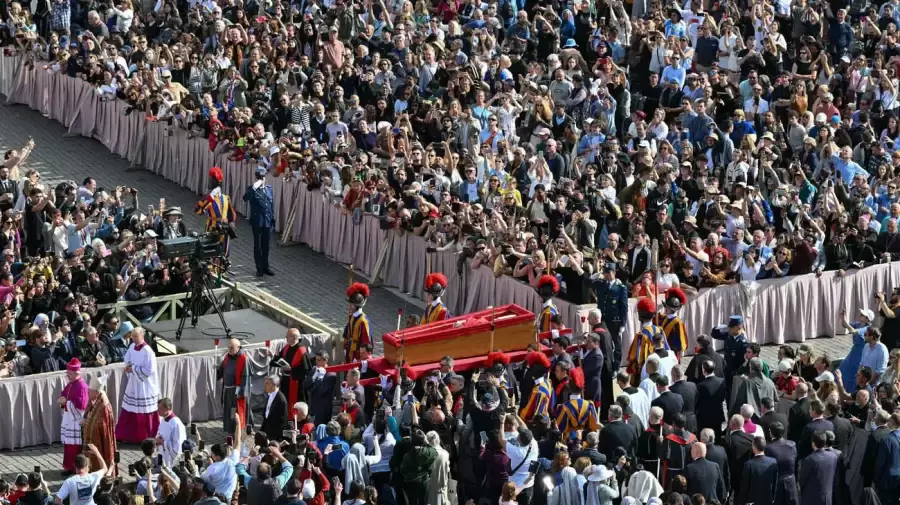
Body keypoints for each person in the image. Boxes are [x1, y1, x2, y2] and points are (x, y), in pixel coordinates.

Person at [115, 327, 160, 444]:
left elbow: (150, 370)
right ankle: (127, 435)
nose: (133, 338)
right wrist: (128, 366)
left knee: (144, 410)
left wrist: (133, 369)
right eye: (132, 336)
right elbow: (127, 358)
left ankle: (146, 436)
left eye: (136, 336)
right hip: (134, 383)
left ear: (142, 336)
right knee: (129, 409)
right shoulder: (131, 347)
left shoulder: (148, 351)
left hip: (144, 385)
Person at [195, 166, 236, 257]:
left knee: (217, 254)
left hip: (217, 229)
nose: (209, 181)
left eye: (211, 179)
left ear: (215, 181)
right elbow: (232, 216)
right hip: (219, 228)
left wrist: (208, 198)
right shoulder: (222, 198)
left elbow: (198, 211)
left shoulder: (215, 198)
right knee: (217, 254)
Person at [243, 166, 275, 277]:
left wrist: (273, 218)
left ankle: (266, 266)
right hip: (257, 221)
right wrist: (254, 187)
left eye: (263, 177)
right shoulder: (252, 189)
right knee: (258, 246)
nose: (261, 180)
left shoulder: (269, 189)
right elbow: (245, 198)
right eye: (259, 178)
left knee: (266, 245)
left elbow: (271, 204)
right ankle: (259, 268)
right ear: (256, 178)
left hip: (267, 221)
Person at [594, 262, 628, 366]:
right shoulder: (601, 284)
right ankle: (606, 364)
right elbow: (587, 282)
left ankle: (616, 366)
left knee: (615, 344)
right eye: (605, 273)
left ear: (614, 272)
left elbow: (624, 307)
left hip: (614, 320)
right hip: (603, 319)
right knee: (604, 342)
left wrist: (623, 323)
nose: (606, 275)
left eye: (608, 273)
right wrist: (597, 273)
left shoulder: (620, 287)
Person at [627, 298, 667, 385]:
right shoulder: (660, 330)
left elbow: (636, 358)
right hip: (661, 369)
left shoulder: (641, 336)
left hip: (646, 372)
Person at [59, 358, 88, 475]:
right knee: (68, 445)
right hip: (69, 419)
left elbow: (82, 405)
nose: (67, 376)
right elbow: (64, 394)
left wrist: (66, 402)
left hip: (76, 420)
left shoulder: (81, 386)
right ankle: (68, 466)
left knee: (75, 447)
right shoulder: (71, 383)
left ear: (76, 373)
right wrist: (62, 399)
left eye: (69, 374)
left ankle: (76, 468)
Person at [218, 338, 253, 434]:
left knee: (235, 411)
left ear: (238, 347)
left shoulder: (243, 359)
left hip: (237, 391)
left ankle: (237, 429)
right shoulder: (227, 356)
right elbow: (222, 369)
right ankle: (231, 428)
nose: (229, 350)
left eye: (232, 348)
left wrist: (241, 392)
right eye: (228, 347)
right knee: (229, 410)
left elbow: (246, 377)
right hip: (228, 390)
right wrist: (217, 369)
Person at [269, 328, 311, 407]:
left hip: (298, 383)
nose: (286, 338)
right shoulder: (287, 347)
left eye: (288, 336)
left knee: (298, 404)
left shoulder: (302, 351)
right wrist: (272, 356)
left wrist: (291, 369)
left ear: (294, 338)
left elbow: (306, 370)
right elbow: (279, 359)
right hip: (286, 381)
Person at [83, 374, 116, 475]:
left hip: (100, 440)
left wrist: (91, 424)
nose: (87, 393)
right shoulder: (94, 398)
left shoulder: (104, 406)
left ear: (96, 393)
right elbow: (89, 410)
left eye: (89, 391)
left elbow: (103, 424)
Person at [711, 315, 750, 395]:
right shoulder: (728, 336)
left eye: (732, 327)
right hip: (726, 370)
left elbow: (743, 361)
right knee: (727, 394)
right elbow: (714, 335)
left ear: (739, 327)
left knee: (733, 394)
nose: (729, 328)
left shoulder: (743, 343)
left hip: (735, 373)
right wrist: (718, 327)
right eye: (729, 326)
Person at [798, 431, 839, 505]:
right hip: (827, 498)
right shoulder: (833, 456)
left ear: (813, 443)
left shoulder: (809, 460)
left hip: (811, 499)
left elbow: (802, 480)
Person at [736, 436, 778, 505]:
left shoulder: (748, 464)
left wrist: (740, 501)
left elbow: (745, 486)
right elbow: (774, 483)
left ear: (754, 448)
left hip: (752, 501)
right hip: (768, 500)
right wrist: (773, 498)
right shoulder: (773, 461)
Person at [724, 415, 754, 498]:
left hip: (734, 476)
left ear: (732, 425)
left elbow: (727, 460)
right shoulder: (751, 438)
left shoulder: (728, 440)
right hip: (748, 475)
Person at [695, 360, 727, 438]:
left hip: (704, 418)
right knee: (717, 437)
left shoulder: (700, 385)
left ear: (703, 370)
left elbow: (697, 402)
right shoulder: (722, 381)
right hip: (717, 415)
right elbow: (723, 397)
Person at [873, 413, 900, 505]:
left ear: (891, 423)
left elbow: (880, 463)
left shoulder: (886, 440)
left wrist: (876, 478)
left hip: (887, 480)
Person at [343, 283, 371, 363]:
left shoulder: (364, 321)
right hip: (349, 350)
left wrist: (358, 357)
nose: (350, 306)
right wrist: (345, 348)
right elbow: (347, 332)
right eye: (350, 304)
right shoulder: (352, 316)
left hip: (357, 353)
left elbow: (365, 342)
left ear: (358, 305)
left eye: (353, 304)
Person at [155, 397, 186, 468]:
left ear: (167, 409)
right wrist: (157, 439)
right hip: (163, 454)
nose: (158, 410)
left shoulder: (176, 424)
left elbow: (178, 445)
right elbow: (159, 433)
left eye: (160, 408)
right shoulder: (163, 419)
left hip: (171, 459)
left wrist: (163, 442)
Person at [658, 287, 688, 360]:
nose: (665, 309)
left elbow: (680, 340)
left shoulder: (678, 322)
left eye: (667, 307)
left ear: (671, 309)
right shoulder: (665, 318)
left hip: (672, 351)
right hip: (663, 349)